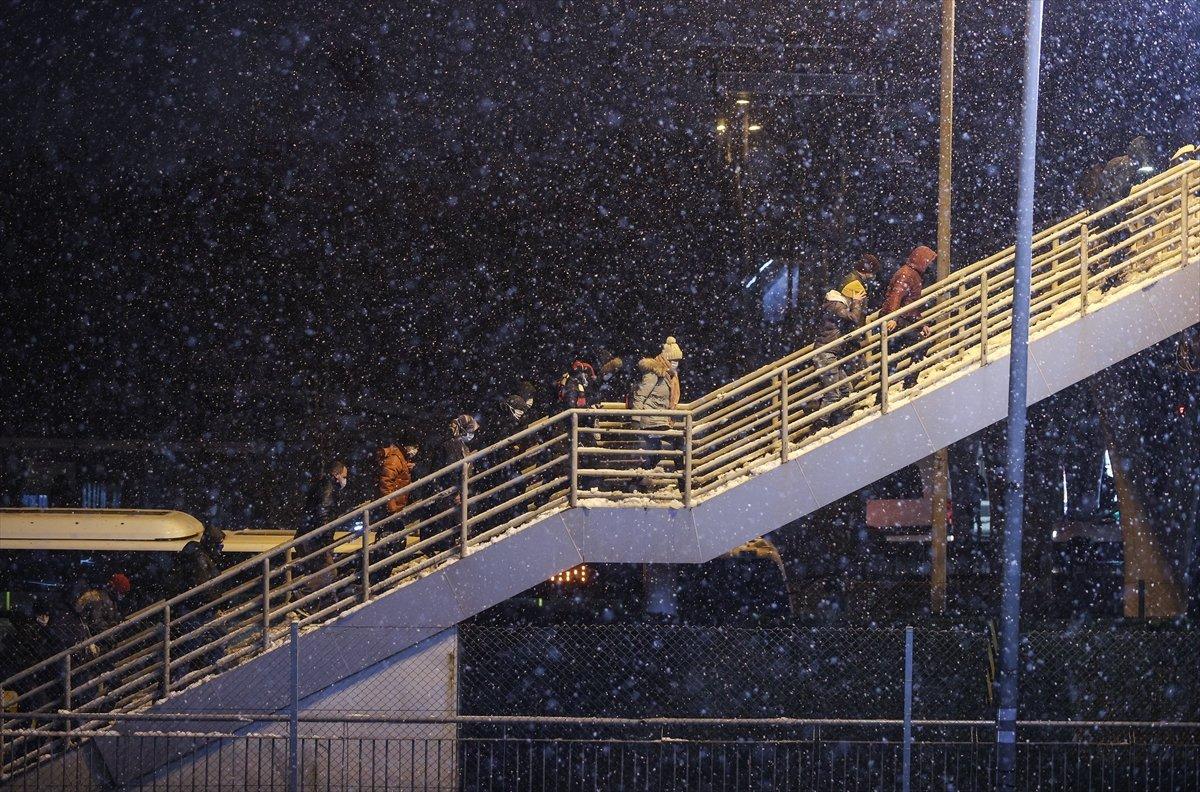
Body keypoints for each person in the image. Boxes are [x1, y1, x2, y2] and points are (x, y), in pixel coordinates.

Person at [631, 337, 684, 491]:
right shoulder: (654, 373)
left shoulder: (669, 375)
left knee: (655, 455)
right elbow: (640, 395)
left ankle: (635, 481)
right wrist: (635, 419)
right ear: (666, 359)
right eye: (673, 359)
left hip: (660, 420)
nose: (676, 363)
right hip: (651, 421)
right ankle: (683, 483)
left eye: (677, 360)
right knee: (679, 443)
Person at [813, 280, 867, 426]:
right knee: (833, 394)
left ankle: (838, 421)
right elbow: (854, 318)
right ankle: (820, 425)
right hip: (825, 353)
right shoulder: (837, 305)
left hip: (831, 353)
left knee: (845, 389)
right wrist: (856, 303)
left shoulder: (835, 304)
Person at [882, 245, 937, 389]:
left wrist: (920, 324)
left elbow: (910, 305)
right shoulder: (907, 274)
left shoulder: (912, 274)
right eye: (928, 261)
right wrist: (892, 317)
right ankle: (909, 382)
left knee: (892, 357)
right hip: (898, 320)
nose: (929, 265)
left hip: (900, 319)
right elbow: (896, 296)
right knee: (919, 344)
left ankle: (883, 393)